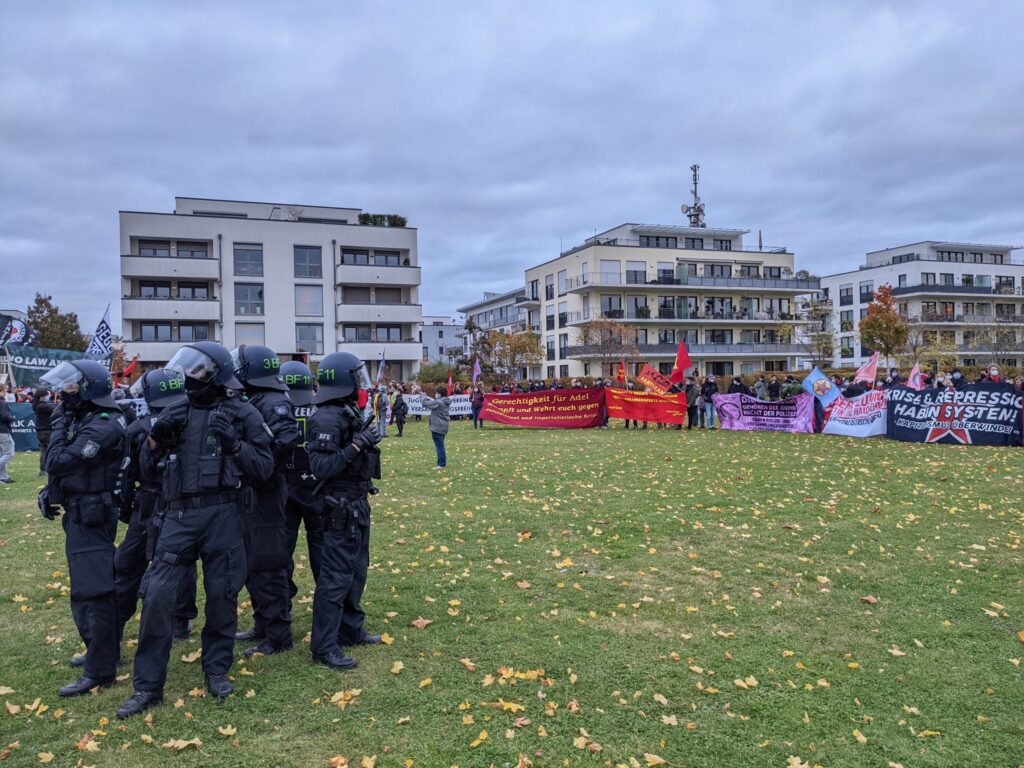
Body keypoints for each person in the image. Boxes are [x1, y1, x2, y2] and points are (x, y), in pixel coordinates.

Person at [117, 342, 274, 718]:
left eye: (199, 371)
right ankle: (147, 686)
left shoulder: (243, 413)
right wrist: (155, 440)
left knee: (222, 595)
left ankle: (216, 669)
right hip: (178, 515)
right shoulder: (174, 412)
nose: (190, 377)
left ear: (217, 373)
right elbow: (144, 468)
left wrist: (234, 445)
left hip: (224, 514)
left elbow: (265, 468)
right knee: (156, 597)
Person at [38, 360, 129, 697]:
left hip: (93, 513)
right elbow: (65, 472)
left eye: (71, 387)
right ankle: (101, 651)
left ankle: (100, 669)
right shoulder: (88, 417)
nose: (64, 393)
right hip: (80, 510)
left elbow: (59, 460)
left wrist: (59, 424)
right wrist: (51, 492)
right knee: (86, 589)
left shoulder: (105, 424)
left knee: (95, 591)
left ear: (89, 388)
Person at [305, 352, 383, 670]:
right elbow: (321, 466)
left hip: (356, 503)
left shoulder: (346, 410)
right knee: (335, 578)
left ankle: (350, 629)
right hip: (339, 506)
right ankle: (324, 645)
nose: (360, 382)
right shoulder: (326, 417)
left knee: (355, 572)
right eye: (356, 376)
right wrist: (358, 445)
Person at [114, 369, 198, 653]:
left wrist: (126, 509)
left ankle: (119, 619)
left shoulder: (138, 428)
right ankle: (180, 619)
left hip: (150, 503)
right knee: (181, 560)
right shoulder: (192, 419)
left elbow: (127, 474)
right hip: (181, 502)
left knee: (129, 564)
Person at [231, 345, 301, 658]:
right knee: (253, 564)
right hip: (251, 493)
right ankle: (262, 623)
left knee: (269, 564)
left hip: (267, 494)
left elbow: (285, 442)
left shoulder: (274, 403)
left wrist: (256, 462)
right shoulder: (254, 399)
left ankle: (278, 633)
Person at [280, 360, 325, 613]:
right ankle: (326, 607)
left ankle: (281, 604)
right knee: (320, 548)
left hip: (285, 487)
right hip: (316, 487)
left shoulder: (276, 407)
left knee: (280, 550)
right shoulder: (321, 408)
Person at [416, 385, 451, 469]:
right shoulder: (444, 401)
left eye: (436, 392)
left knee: (439, 446)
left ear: (439, 394)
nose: (435, 394)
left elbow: (425, 404)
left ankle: (442, 464)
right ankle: (442, 463)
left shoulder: (438, 402)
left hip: (437, 426)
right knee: (440, 445)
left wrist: (423, 397)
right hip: (443, 426)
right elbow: (432, 403)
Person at [33, 389, 55, 477]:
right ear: (42, 397)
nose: (48, 397)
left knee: (44, 450)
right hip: (46, 431)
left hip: (41, 431)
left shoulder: (38, 405)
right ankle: (47, 469)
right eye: (47, 395)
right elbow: (55, 409)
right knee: (49, 450)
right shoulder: (42, 406)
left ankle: (44, 470)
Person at [0, 394, 13, 484]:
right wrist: (12, 418)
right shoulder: (2, 402)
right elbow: (5, 416)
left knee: (1, 455)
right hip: (2, 430)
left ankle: (3, 477)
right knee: (9, 453)